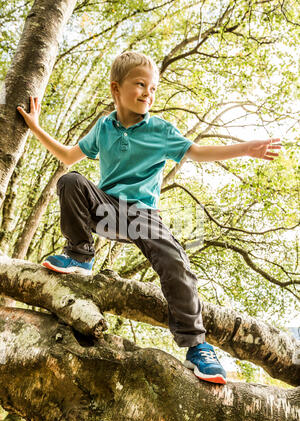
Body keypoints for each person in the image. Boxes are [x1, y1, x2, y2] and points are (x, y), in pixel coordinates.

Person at [17, 51, 281, 385]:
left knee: (175, 261)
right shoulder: (104, 127)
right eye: (140, 84)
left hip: (142, 214)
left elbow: (197, 153)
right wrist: (36, 128)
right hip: (106, 209)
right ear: (117, 88)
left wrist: (245, 148)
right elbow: (69, 157)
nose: (148, 93)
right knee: (70, 181)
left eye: (153, 88)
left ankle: (196, 347)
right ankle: (79, 255)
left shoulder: (160, 129)